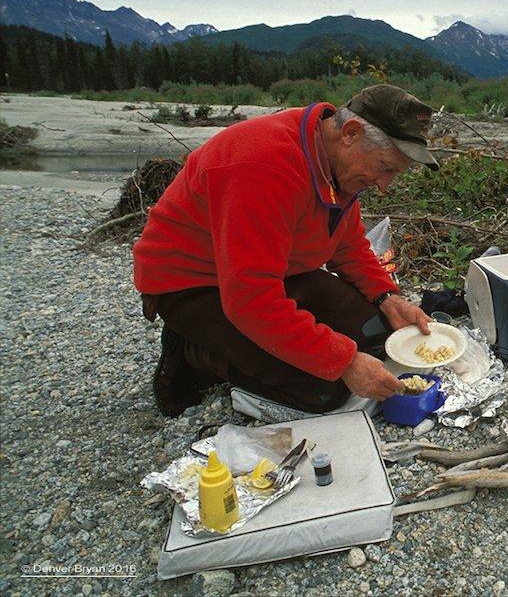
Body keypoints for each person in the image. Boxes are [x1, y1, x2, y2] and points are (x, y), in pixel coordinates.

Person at [134, 84, 437, 417]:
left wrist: (387, 297)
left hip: (273, 270)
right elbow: (252, 300)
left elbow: (347, 243)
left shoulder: (336, 160)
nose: (384, 184)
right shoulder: (265, 164)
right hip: (194, 283)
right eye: (386, 168)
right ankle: (194, 353)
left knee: (378, 335)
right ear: (351, 133)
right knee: (326, 388)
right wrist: (345, 362)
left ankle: (238, 344)